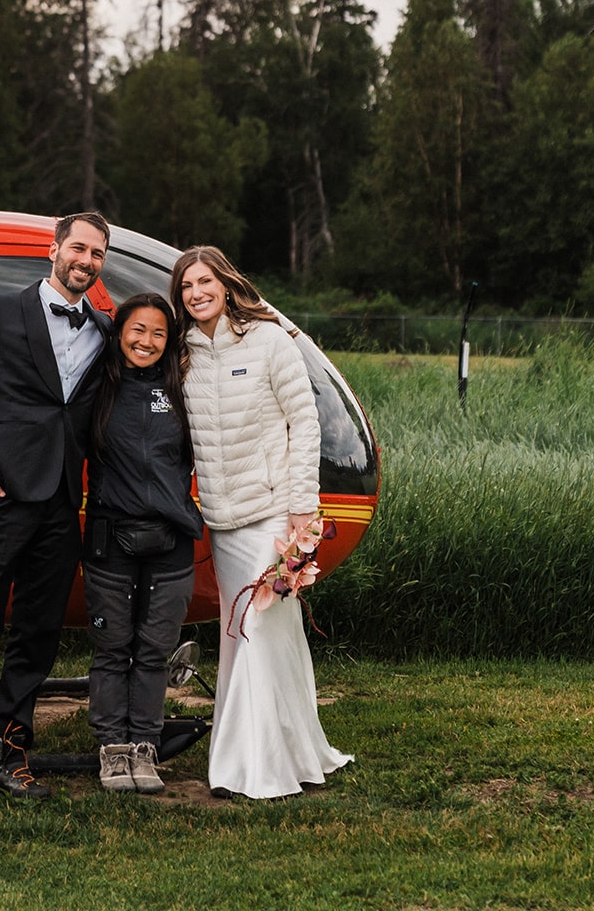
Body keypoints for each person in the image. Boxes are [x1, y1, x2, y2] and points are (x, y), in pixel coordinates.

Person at [0, 211, 113, 805]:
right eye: (78, 248)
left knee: (38, 632)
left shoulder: (106, 332)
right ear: (54, 249)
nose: (86, 261)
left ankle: (12, 752)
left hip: (62, 500)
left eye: (98, 255)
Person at [169, 244, 353, 800]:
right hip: (224, 521)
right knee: (243, 636)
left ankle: (251, 768)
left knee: (262, 630)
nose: (197, 294)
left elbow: (306, 423)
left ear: (225, 284)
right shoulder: (181, 353)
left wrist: (302, 508)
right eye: (186, 287)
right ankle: (287, 753)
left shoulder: (270, 339)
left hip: (275, 514)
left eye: (205, 282)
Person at [82, 293, 202, 795]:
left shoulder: (184, 389)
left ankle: (145, 749)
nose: (146, 341)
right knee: (113, 649)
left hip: (171, 539)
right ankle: (112, 749)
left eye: (158, 333)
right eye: (137, 330)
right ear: (119, 332)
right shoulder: (96, 386)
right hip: (110, 539)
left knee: (154, 650)